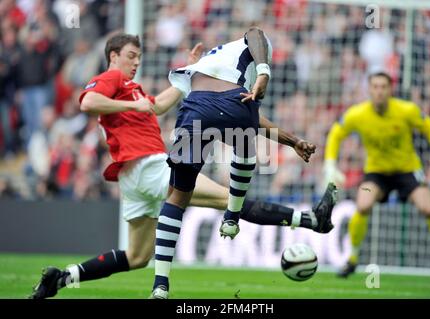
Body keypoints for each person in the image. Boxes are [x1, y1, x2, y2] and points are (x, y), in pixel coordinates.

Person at [29, 33, 336, 299]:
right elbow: (88, 102)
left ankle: (63, 277)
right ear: (113, 56)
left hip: (132, 177)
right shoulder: (114, 79)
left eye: (139, 57)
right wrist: (131, 105)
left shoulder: (134, 89)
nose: (136, 63)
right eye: (131, 56)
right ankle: (310, 220)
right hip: (149, 165)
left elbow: (160, 105)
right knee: (229, 199)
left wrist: (192, 68)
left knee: (137, 256)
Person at [150, 27, 335, 299]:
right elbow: (256, 32)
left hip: (193, 110)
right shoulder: (247, 49)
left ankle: (160, 286)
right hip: (231, 107)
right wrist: (264, 70)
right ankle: (232, 216)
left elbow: (238, 109)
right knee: (246, 142)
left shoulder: (209, 63)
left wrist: (293, 141)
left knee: (176, 198)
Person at [323, 71, 430, 278]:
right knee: (362, 205)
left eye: (383, 87)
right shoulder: (358, 114)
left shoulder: (406, 110)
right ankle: (352, 258)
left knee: (428, 208)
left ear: (390, 89)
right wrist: (330, 164)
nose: (379, 91)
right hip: (376, 172)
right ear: (369, 90)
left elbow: (429, 127)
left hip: (408, 170)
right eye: (375, 87)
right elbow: (337, 133)